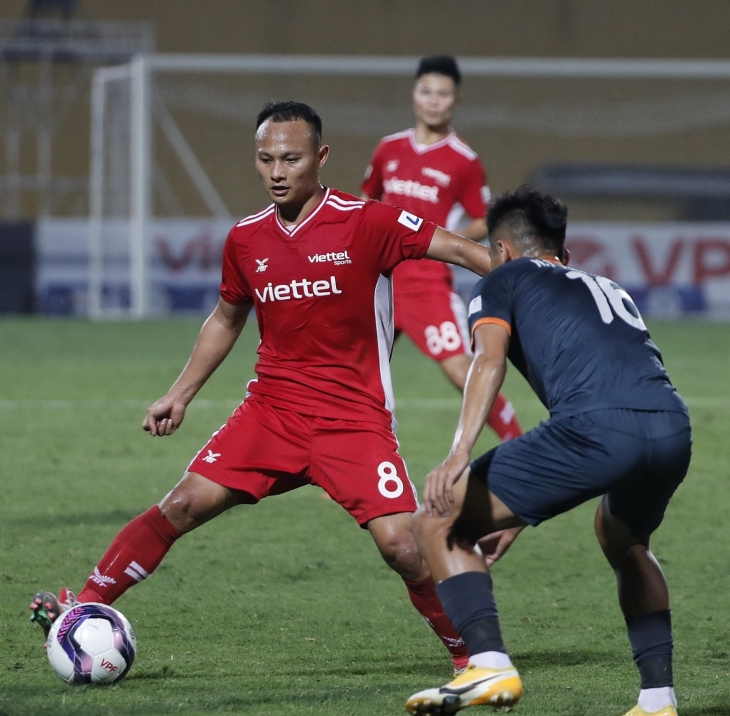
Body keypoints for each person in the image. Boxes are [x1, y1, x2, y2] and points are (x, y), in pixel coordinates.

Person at [31, 100, 499, 673]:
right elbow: (226, 318)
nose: (278, 171)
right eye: (266, 159)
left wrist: (526, 281)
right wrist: (180, 393)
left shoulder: (368, 220)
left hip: (352, 419)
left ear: (321, 158)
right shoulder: (247, 239)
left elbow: (457, 248)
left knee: (403, 547)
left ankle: (470, 658)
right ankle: (83, 609)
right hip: (271, 413)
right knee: (180, 504)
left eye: (292, 158)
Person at [404, 187, 692, 716]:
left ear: (503, 250)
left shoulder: (502, 280)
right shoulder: (606, 285)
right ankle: (658, 705)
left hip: (599, 429)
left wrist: (458, 455)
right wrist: (517, 508)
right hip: (671, 427)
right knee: (623, 538)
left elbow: (487, 362)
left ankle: (486, 665)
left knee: (437, 516)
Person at [361, 55, 522, 443]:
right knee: (357, 368)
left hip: (425, 280)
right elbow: (366, 203)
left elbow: (487, 216)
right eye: (426, 91)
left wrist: (449, 238)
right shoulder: (388, 149)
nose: (433, 100)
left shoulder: (463, 161)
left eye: (443, 94)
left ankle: (516, 439)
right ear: (414, 95)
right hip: (379, 278)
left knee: (457, 368)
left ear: (456, 101)